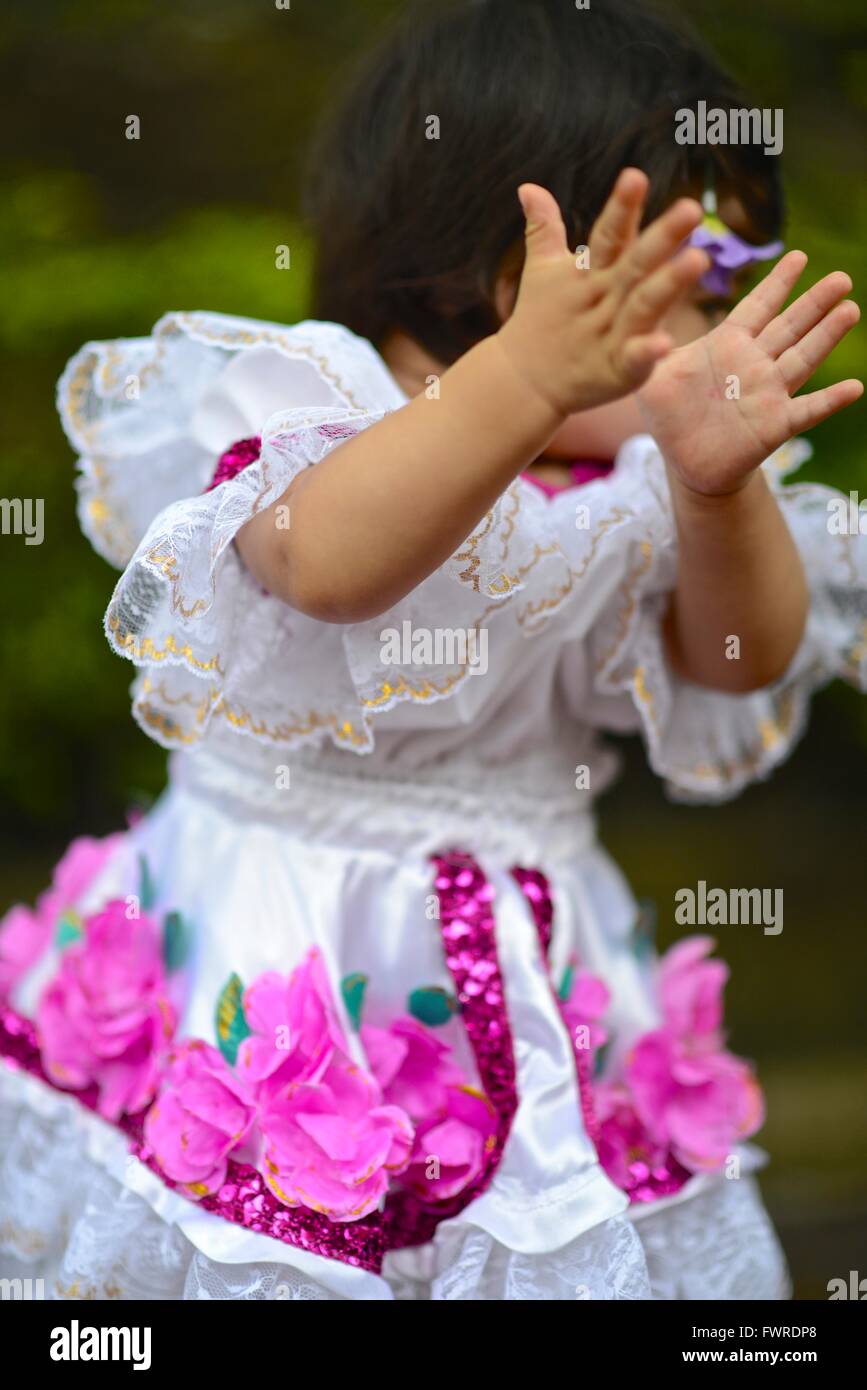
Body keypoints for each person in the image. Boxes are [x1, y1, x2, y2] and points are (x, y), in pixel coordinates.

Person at [1, 0, 863, 1300]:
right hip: (284, 959)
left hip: (534, 985)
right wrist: (525, 384)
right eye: (681, 284)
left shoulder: (640, 485)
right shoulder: (317, 408)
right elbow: (331, 564)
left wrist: (721, 492)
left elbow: (739, 659)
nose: (714, 337)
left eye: (737, 282)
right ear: (487, 266)